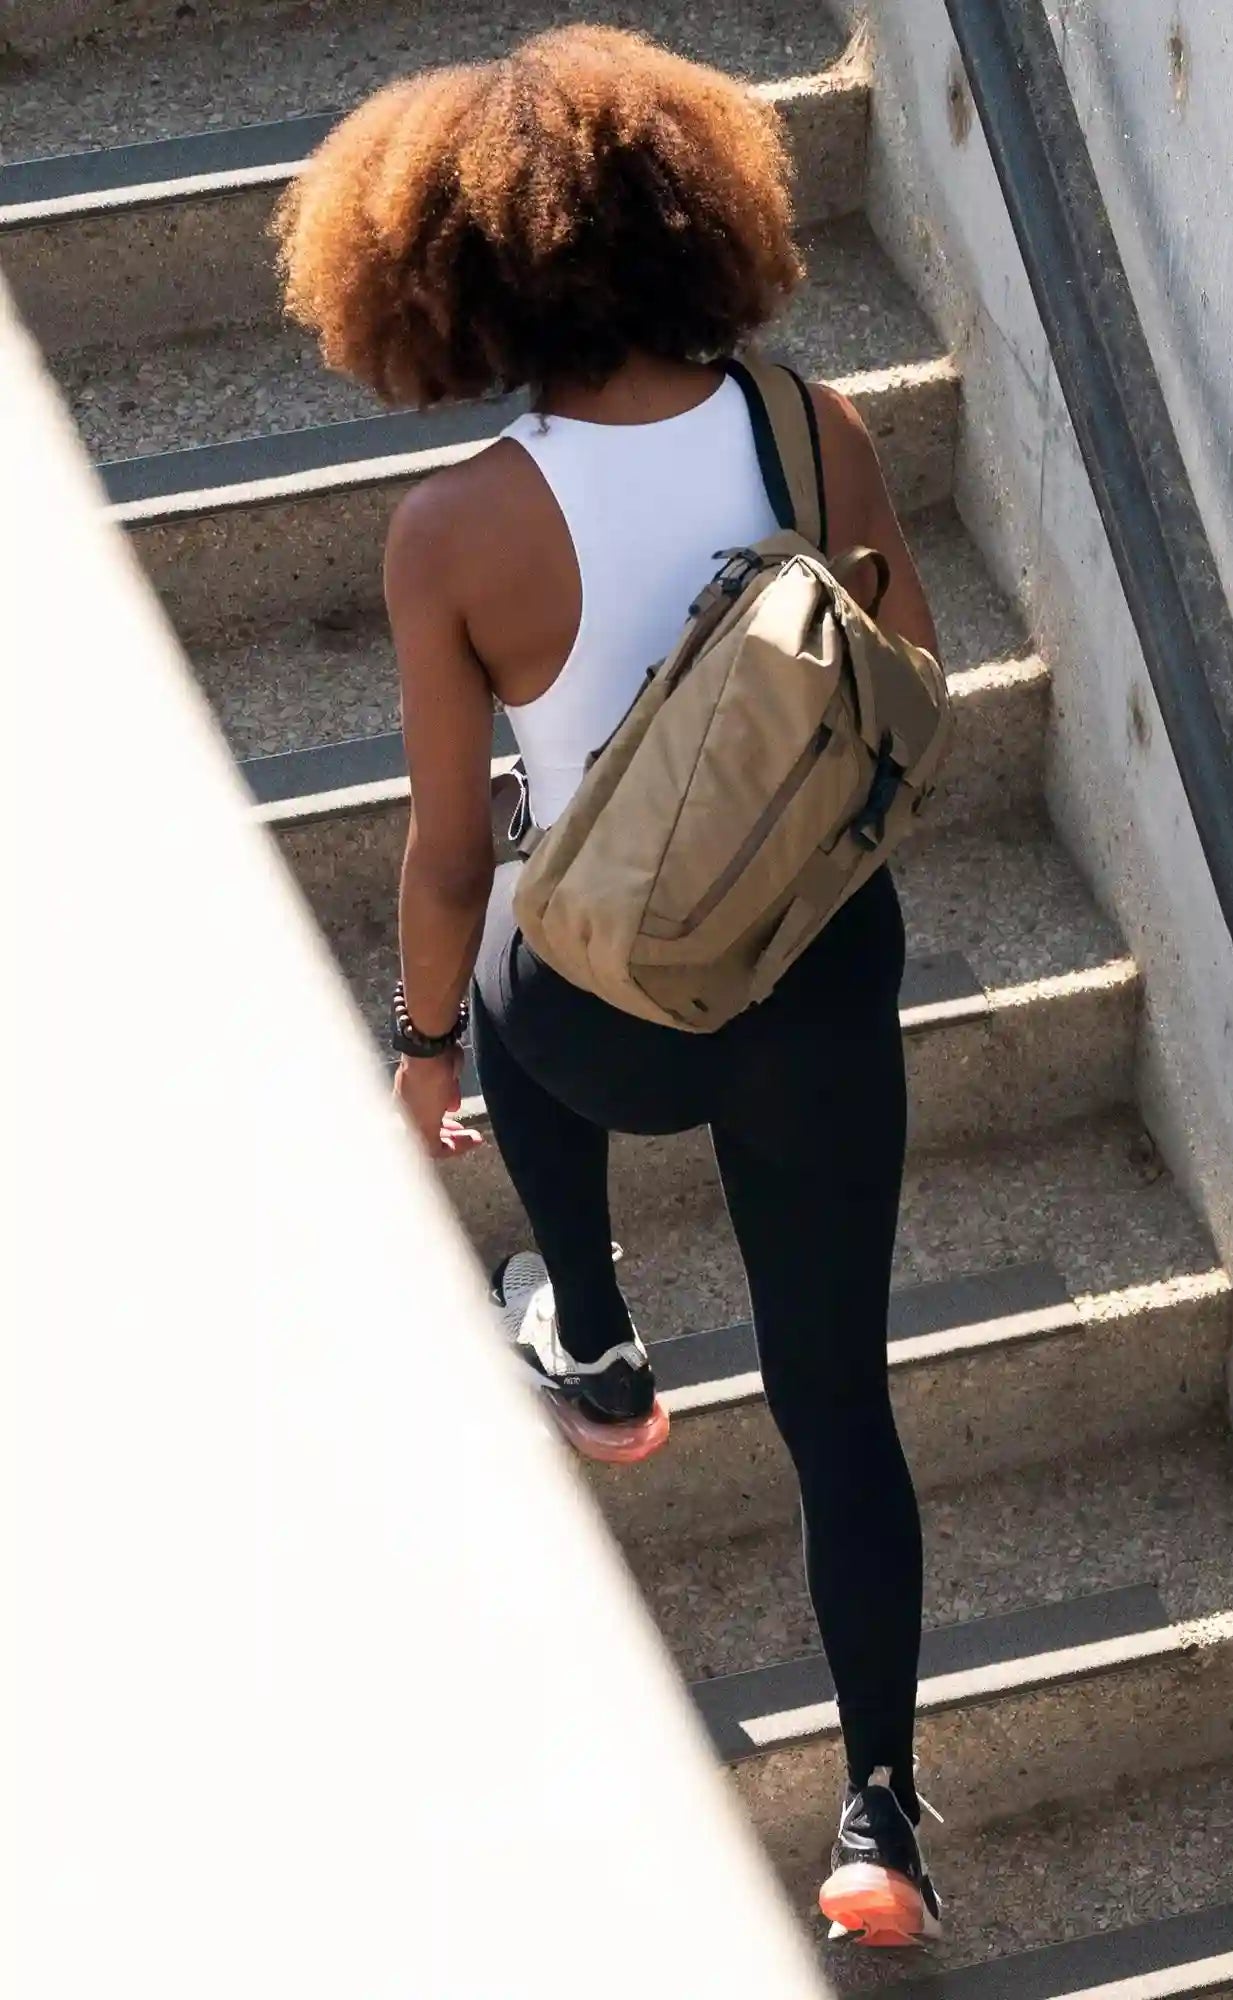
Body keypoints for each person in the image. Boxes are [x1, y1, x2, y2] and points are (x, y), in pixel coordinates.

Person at [276, 26, 941, 1949]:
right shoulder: (819, 428)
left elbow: (445, 854)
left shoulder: (457, 527)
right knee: (842, 1406)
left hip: (610, 1032)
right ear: (694, 218)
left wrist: (418, 1061)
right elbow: (905, 685)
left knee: (495, 926)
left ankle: (590, 1324)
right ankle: (881, 1831)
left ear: (448, 279)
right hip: (819, 990)